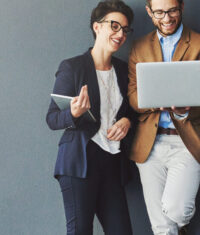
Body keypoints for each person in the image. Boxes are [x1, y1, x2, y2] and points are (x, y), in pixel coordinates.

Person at [126, 0, 200, 234]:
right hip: (150, 143)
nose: (166, 18)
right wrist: (158, 100)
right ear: (149, 12)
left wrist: (184, 110)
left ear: (182, 8)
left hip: (186, 141)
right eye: (159, 12)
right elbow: (133, 96)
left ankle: (182, 224)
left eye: (172, 11)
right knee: (161, 228)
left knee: (176, 211)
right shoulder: (139, 47)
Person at [46, 1, 135, 234]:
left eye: (125, 29)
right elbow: (52, 118)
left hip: (113, 163)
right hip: (79, 163)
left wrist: (128, 121)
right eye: (114, 26)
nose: (120, 34)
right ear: (97, 27)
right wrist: (73, 113)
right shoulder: (72, 67)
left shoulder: (124, 70)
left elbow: (132, 110)